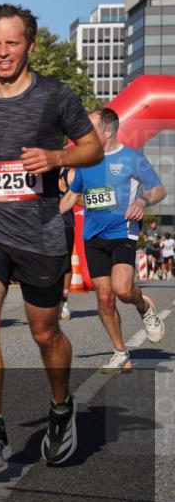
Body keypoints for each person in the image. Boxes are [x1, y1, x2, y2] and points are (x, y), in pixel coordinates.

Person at [0, 4, 103, 468]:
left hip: (42, 231)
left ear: (29, 44)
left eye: (11, 42)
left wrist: (57, 159)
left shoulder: (56, 97)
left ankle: (61, 408)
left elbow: (92, 146)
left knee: (45, 332)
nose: (2, 52)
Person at [60, 108, 167, 373]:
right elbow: (72, 195)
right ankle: (120, 352)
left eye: (90, 127)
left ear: (107, 131)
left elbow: (159, 188)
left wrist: (142, 200)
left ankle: (143, 306)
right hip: (93, 236)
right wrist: (46, 220)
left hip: (123, 232)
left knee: (122, 289)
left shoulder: (132, 158)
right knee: (105, 300)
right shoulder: (85, 162)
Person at [58, 167, 77, 321]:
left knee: (65, 264)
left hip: (65, 224)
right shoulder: (41, 172)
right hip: (44, 225)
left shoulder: (70, 174)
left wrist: (65, 191)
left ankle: (64, 300)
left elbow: (83, 201)